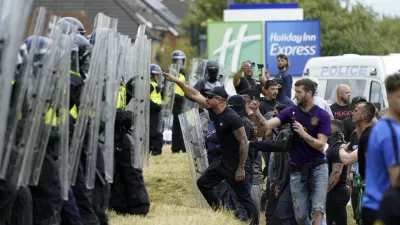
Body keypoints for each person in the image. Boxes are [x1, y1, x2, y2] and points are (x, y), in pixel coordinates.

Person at [163, 71, 259, 225]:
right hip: (223, 161)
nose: (206, 99)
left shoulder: (232, 118)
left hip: (236, 165)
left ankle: (255, 224)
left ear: (219, 100)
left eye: (210, 97)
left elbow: (243, 142)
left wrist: (241, 168)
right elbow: (193, 94)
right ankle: (220, 213)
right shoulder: (213, 109)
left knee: (244, 199)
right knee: (203, 183)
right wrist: (176, 81)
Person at [249, 78, 331, 225]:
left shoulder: (322, 115)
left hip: (318, 167)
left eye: (299, 92)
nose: (295, 95)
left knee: (318, 209)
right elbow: (266, 125)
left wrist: (303, 133)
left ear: (309, 93)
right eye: (295, 91)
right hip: (297, 168)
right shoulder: (291, 111)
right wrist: (256, 113)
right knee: (300, 216)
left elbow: (320, 145)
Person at [362, 73, 400, 225]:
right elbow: (396, 178)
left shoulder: (386, 126)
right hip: (382, 208)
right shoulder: (390, 130)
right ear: (389, 97)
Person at [326, 120, 350, 225]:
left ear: (334, 131)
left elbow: (336, 173)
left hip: (337, 193)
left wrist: (323, 192)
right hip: (334, 192)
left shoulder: (338, 149)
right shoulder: (333, 147)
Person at [171, 50, 187, 153]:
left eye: (181, 60)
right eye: (177, 60)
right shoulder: (173, 72)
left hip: (183, 101)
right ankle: (177, 146)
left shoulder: (182, 73)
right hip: (175, 101)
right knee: (177, 124)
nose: (179, 62)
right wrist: (175, 96)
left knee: (183, 124)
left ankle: (183, 145)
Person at [149, 64, 164, 156]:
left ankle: (155, 149)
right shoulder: (150, 85)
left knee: (156, 130)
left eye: (158, 75)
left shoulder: (155, 84)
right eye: (155, 74)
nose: (157, 76)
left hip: (156, 110)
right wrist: (156, 106)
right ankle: (156, 149)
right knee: (155, 131)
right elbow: (146, 99)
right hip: (152, 110)